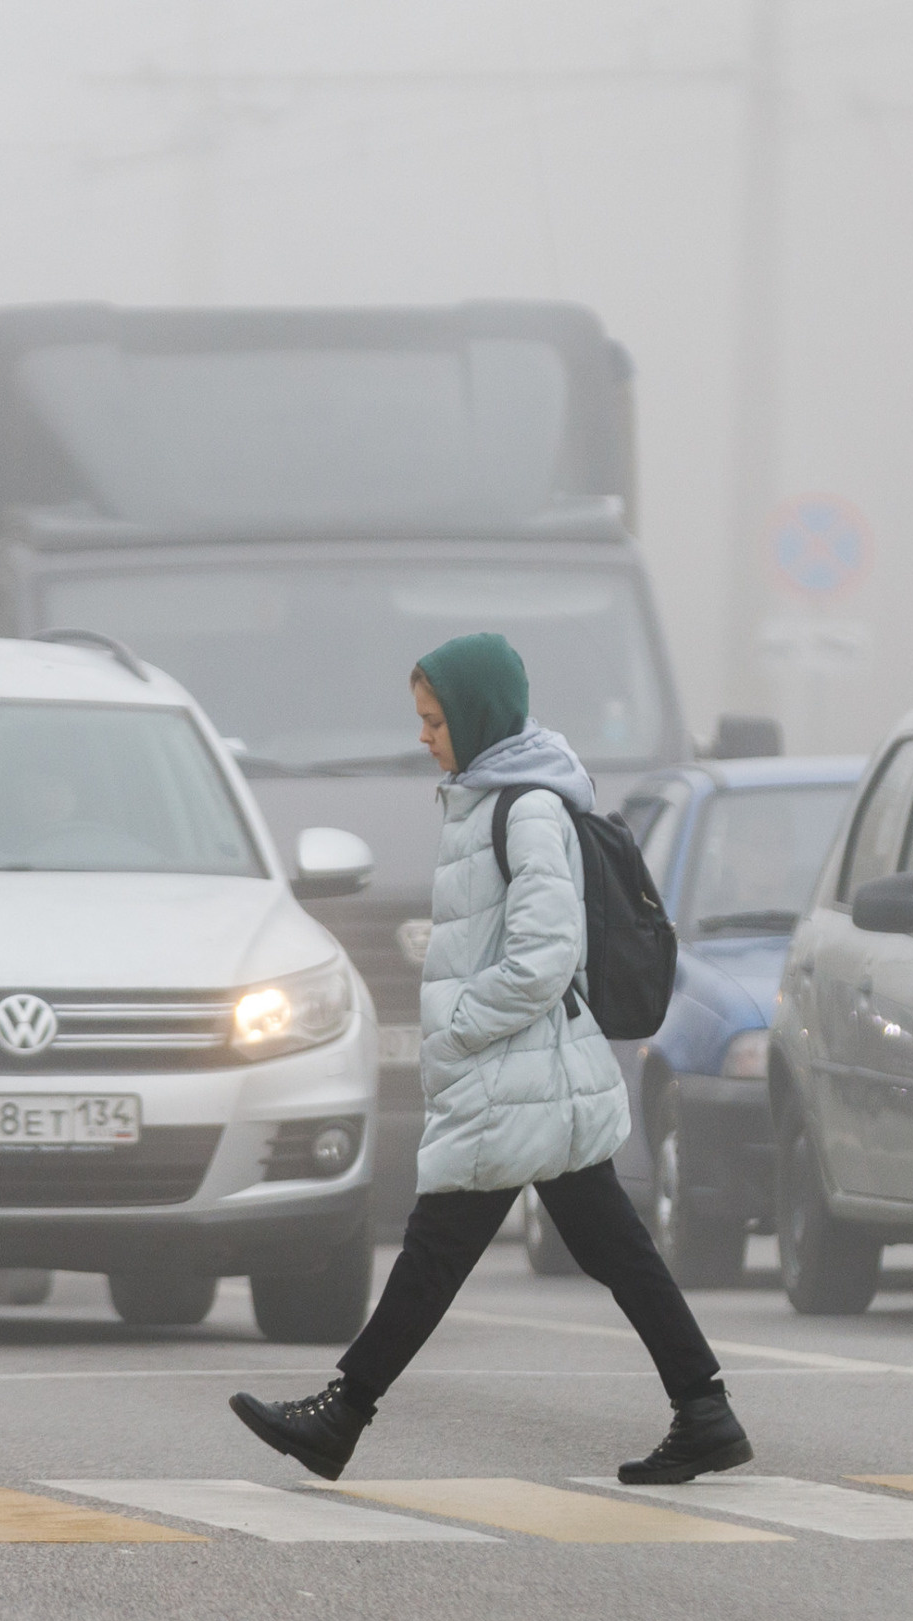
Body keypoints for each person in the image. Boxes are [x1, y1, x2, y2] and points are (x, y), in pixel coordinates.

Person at [228, 632, 753, 1485]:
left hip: (520, 1073)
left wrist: (459, 1026)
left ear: (475, 716)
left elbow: (545, 955)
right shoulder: (489, 800)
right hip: (525, 1076)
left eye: (436, 721)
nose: (426, 738)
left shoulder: (526, 809)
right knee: (610, 1250)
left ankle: (343, 1413)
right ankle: (704, 1408)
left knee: (439, 1249)